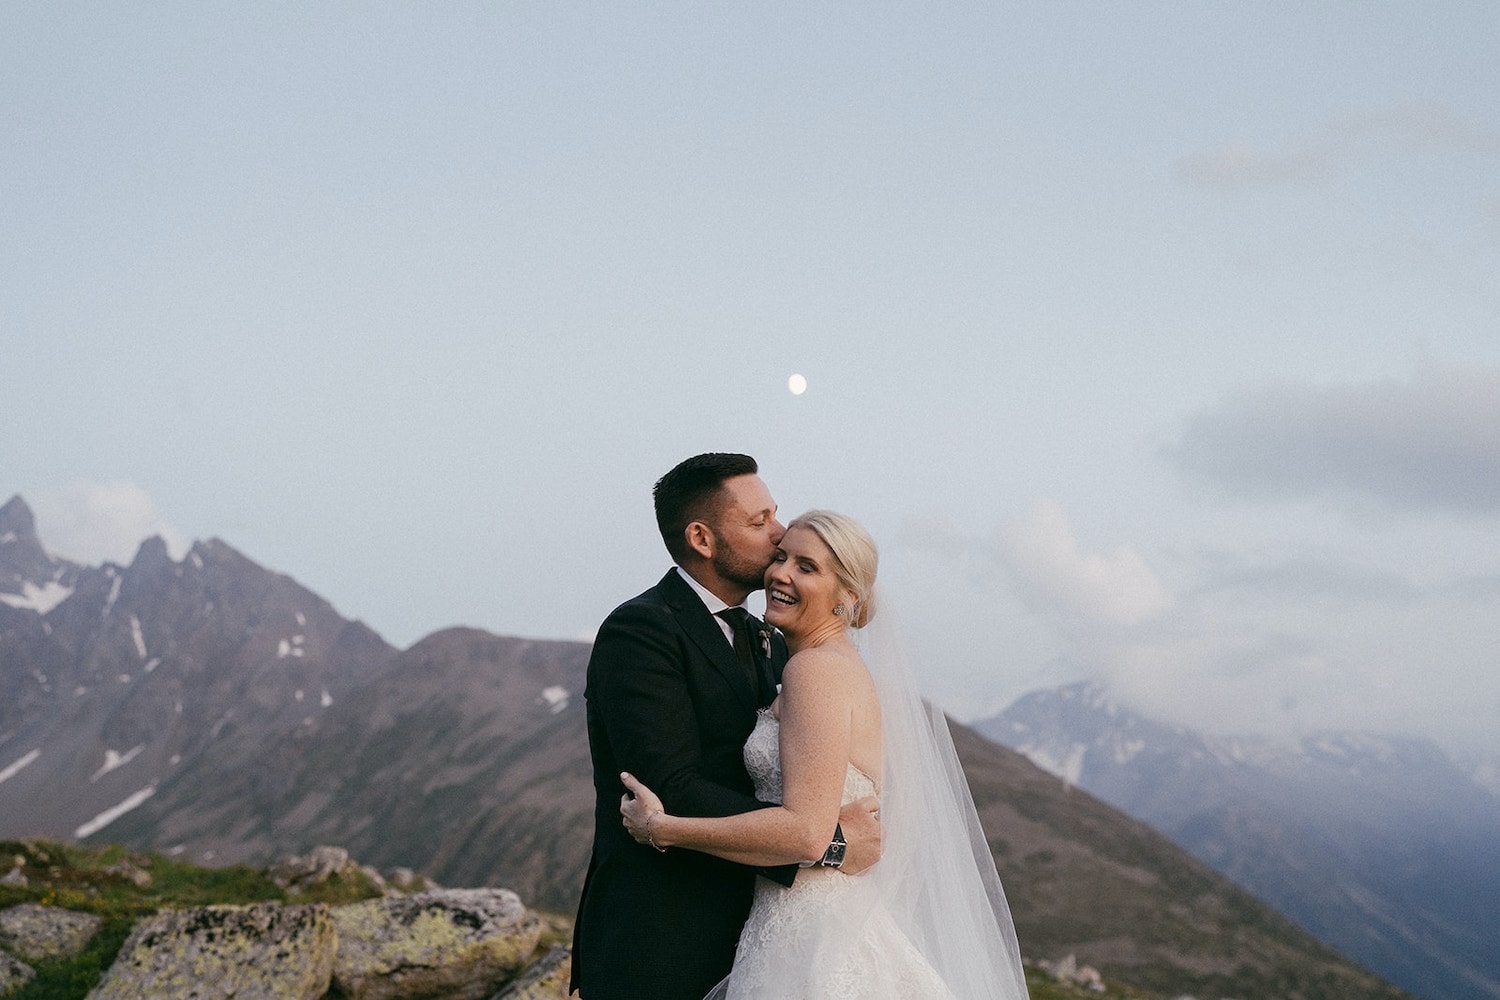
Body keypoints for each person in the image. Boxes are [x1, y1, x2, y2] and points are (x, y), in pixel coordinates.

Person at [620, 510, 1029, 999]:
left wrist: (664, 829)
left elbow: (805, 832)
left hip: (812, 935)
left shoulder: (813, 671)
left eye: (807, 567)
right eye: (780, 557)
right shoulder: (827, 665)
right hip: (808, 919)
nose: (780, 574)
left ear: (847, 598)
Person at [570, 455, 882, 1000]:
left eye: (776, 516)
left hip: (758, 940)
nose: (779, 532)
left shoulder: (772, 639)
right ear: (703, 538)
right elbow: (670, 787)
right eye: (759, 522)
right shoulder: (640, 631)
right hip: (662, 942)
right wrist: (826, 844)